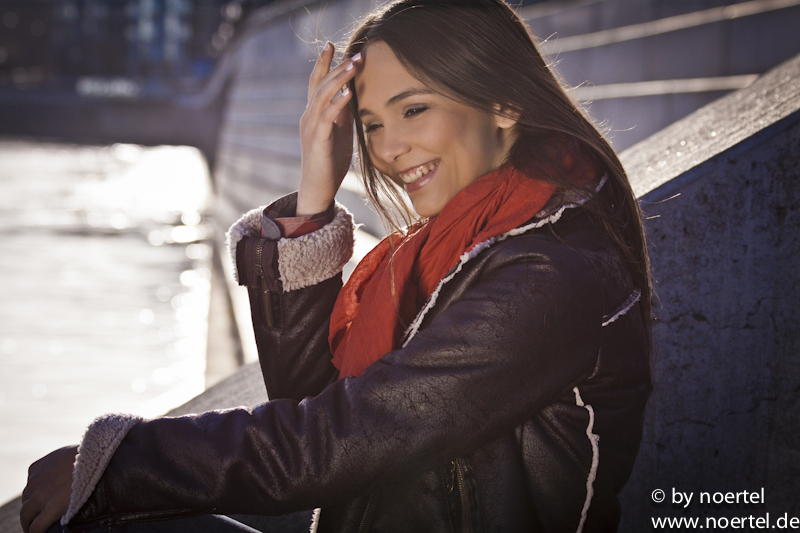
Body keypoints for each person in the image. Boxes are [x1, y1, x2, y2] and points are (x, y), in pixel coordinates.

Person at [21, 0, 652, 531]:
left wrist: (119, 461)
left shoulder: (548, 273)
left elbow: (336, 441)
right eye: (372, 124)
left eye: (414, 110)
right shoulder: (451, 246)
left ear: (504, 104)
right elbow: (313, 399)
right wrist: (315, 195)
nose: (388, 148)